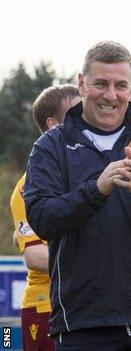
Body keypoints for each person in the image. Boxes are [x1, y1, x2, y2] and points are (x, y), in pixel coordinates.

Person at [24, 41, 131, 350]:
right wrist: (95, 190)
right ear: (81, 83)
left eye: (121, 85)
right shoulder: (51, 146)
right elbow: (42, 218)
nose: (111, 95)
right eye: (100, 84)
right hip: (81, 324)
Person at [10, 84, 81, 351]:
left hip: (88, 306)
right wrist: (93, 257)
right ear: (53, 125)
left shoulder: (83, 171)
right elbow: (34, 256)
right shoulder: (28, 186)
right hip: (45, 308)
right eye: (75, 112)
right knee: (6, 340)